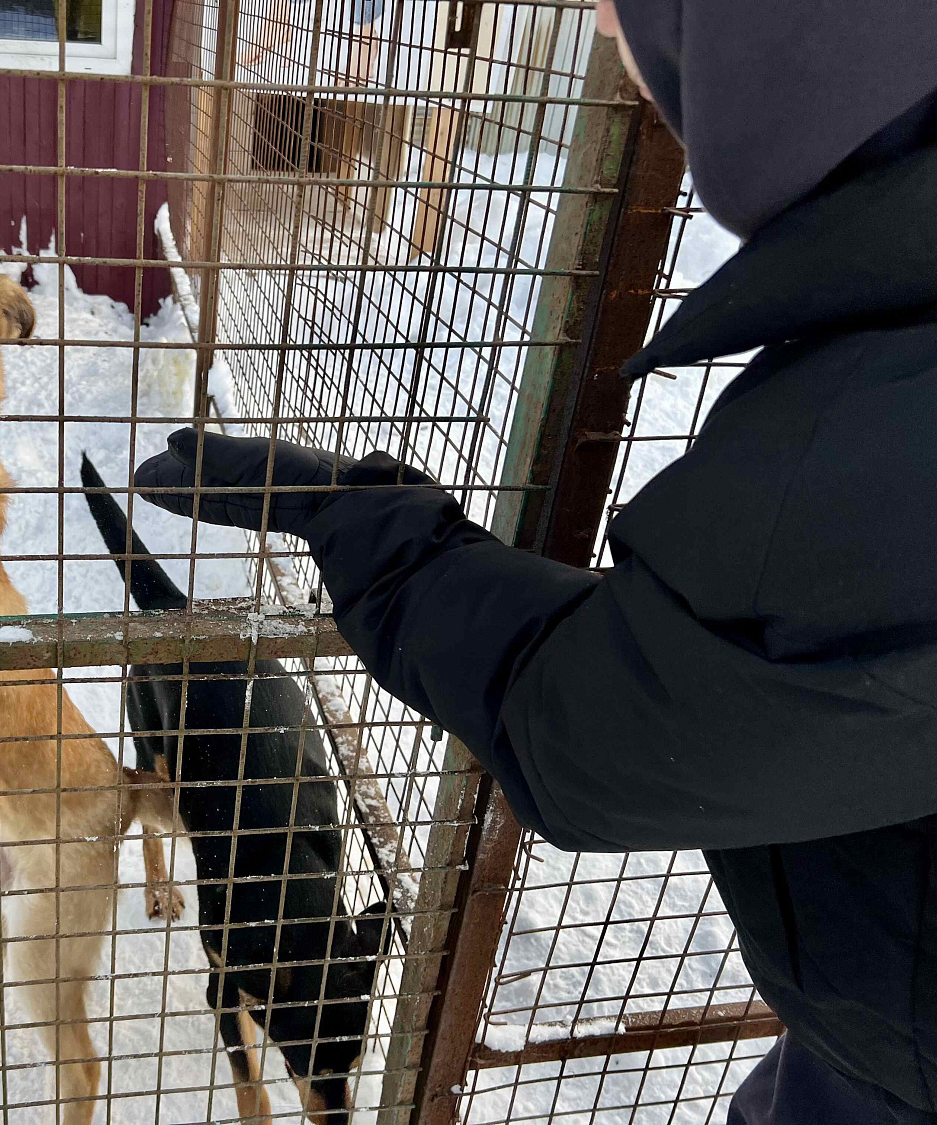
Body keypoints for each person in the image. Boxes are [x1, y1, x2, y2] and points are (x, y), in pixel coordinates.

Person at [132, 2, 937, 1121]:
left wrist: (361, 524)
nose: (604, 33)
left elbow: (609, 726)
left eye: (640, 15)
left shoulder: (883, 413)